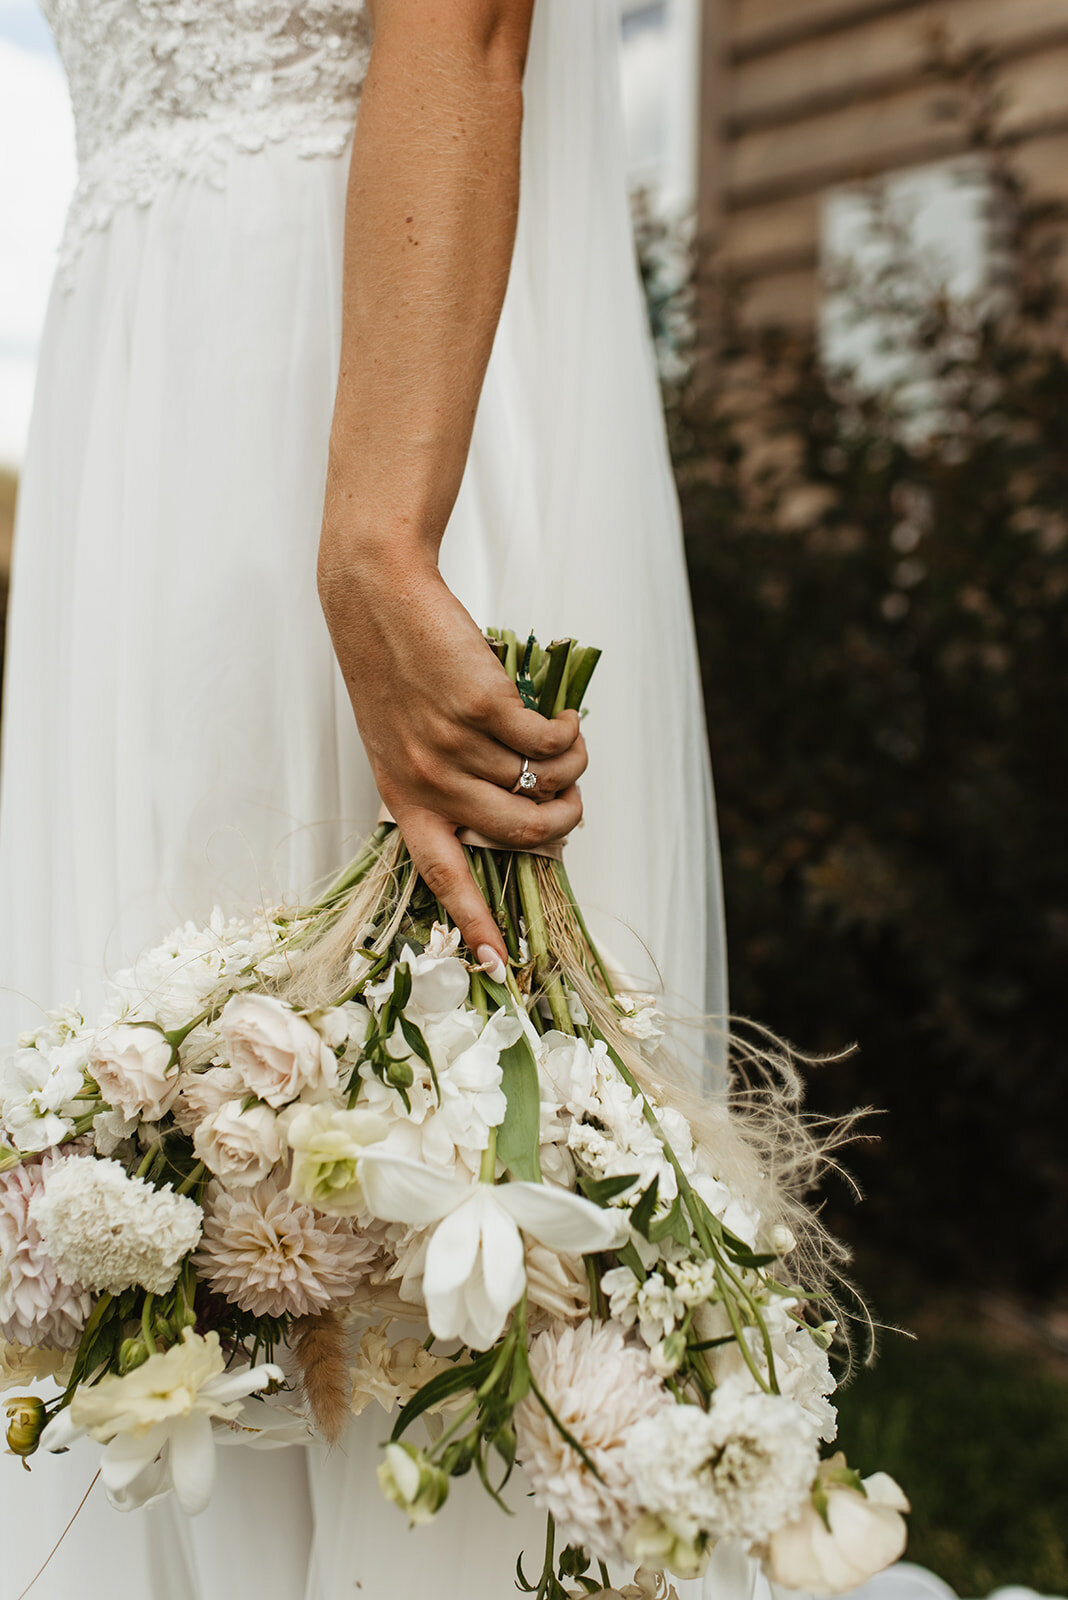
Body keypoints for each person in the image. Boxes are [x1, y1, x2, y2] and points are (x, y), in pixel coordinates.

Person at [0, 1, 726, 1595]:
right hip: (144, 416)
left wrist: (380, 541)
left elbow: (462, 28)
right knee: (166, 1206)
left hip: (359, 382)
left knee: (422, 1210)